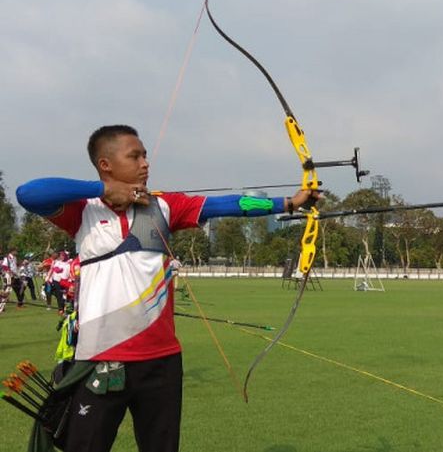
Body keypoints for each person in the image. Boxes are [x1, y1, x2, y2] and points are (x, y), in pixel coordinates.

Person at [16, 124, 318, 452]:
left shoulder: (164, 206)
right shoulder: (84, 211)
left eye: (145, 155)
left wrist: (289, 202)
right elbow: (29, 193)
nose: (146, 163)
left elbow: (228, 204)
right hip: (100, 360)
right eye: (135, 156)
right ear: (106, 164)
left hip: (161, 361)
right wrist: (104, 189)